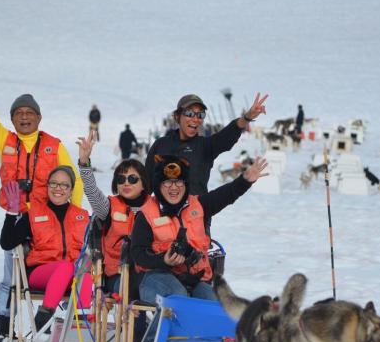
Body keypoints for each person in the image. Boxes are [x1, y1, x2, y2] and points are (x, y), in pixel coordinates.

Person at [0, 44, 83, 342]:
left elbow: (75, 183)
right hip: (16, 218)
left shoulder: (54, 145)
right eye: (18, 113)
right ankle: (4, 327)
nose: (24, 117)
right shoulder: (4, 139)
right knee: (11, 276)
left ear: (39, 118)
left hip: (47, 220)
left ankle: (58, 315)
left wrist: (73, 216)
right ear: (13, 118)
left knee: (58, 265)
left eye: (29, 113)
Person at [131, 154, 268, 304]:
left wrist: (245, 180)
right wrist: (163, 259)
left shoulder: (198, 205)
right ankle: (160, 328)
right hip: (155, 278)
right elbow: (138, 254)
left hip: (193, 279)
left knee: (213, 304)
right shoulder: (147, 214)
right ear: (159, 185)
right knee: (179, 299)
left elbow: (225, 195)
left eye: (179, 182)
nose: (174, 187)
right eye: (168, 182)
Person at [0, 166, 91, 342]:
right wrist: (11, 213)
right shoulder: (33, 214)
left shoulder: (82, 216)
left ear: (71, 190)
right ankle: (43, 321)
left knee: (85, 276)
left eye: (64, 185)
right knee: (66, 267)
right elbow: (7, 243)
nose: (58, 188)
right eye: (54, 183)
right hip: (39, 273)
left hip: (71, 274)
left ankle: (79, 339)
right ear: (47, 186)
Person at [145, 92, 269, 196]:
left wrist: (247, 118)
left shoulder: (205, 146)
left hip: (196, 217)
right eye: (189, 113)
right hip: (164, 219)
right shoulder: (161, 145)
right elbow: (146, 184)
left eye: (201, 115)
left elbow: (227, 135)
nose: (195, 118)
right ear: (177, 116)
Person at [76, 133, 151, 295]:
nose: (125, 183)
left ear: (144, 183)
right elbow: (91, 191)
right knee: (134, 290)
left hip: (147, 274)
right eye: (121, 179)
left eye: (132, 179)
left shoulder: (155, 210)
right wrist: (84, 163)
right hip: (117, 275)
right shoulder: (109, 207)